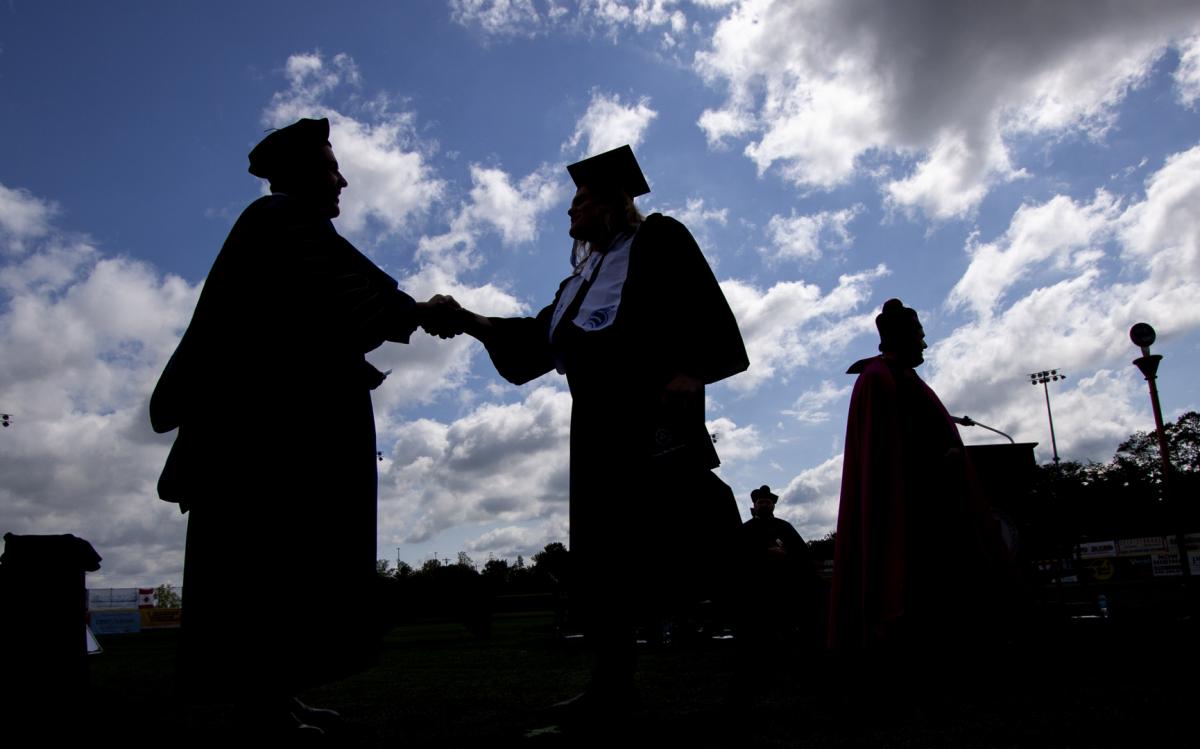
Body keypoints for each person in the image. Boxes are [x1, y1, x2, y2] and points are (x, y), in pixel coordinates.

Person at [149, 118, 459, 734]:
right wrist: (421, 312)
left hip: (272, 438)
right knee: (269, 569)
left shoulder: (284, 226)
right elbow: (342, 296)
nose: (341, 179)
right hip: (262, 448)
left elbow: (311, 316)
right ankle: (263, 708)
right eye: (329, 165)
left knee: (286, 570)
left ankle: (273, 696)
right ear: (296, 174)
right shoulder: (280, 221)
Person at [449, 145, 748, 719]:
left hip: (654, 419)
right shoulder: (578, 283)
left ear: (615, 201)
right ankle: (612, 686)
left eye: (581, 201)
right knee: (607, 560)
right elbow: (536, 341)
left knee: (703, 537)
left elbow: (706, 305)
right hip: (596, 434)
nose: (571, 212)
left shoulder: (659, 238)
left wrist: (694, 368)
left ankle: (757, 648)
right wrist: (467, 320)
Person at [828, 299, 996, 658]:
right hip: (905, 504)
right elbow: (887, 452)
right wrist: (936, 460)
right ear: (902, 337)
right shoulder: (877, 380)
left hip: (931, 499)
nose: (924, 344)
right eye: (920, 336)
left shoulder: (906, 379)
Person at [738, 485, 819, 646]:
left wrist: (786, 554)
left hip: (784, 583)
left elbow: (802, 552)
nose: (764, 505)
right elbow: (738, 554)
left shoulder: (784, 527)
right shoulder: (745, 530)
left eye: (767, 502)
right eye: (761, 502)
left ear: (773, 505)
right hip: (756, 585)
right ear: (755, 505)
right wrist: (766, 552)